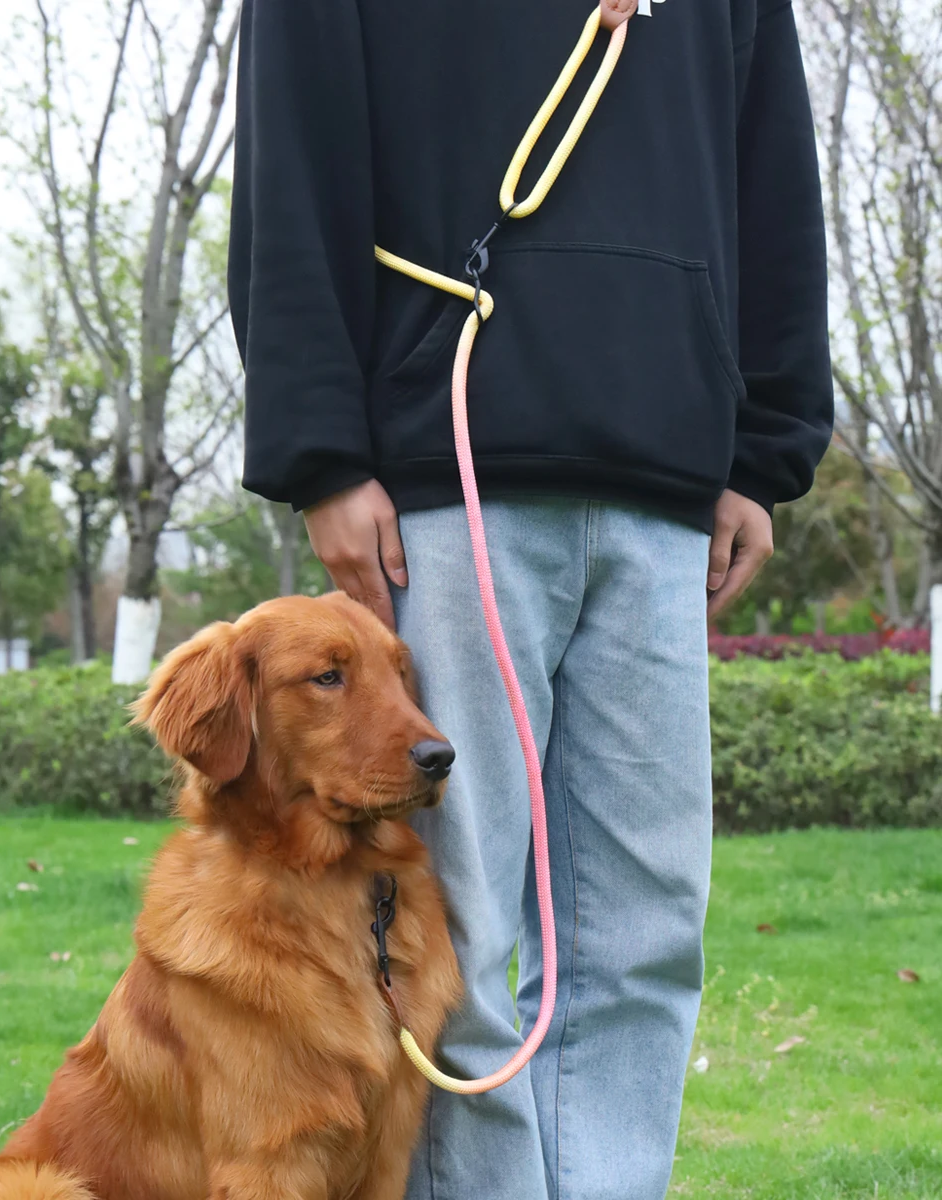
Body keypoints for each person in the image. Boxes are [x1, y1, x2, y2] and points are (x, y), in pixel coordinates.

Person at [227, 0, 832, 1196]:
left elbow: (773, 167)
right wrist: (323, 451)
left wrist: (764, 443)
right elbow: (291, 155)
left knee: (645, 935)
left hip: (666, 483)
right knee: (456, 931)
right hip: (445, 473)